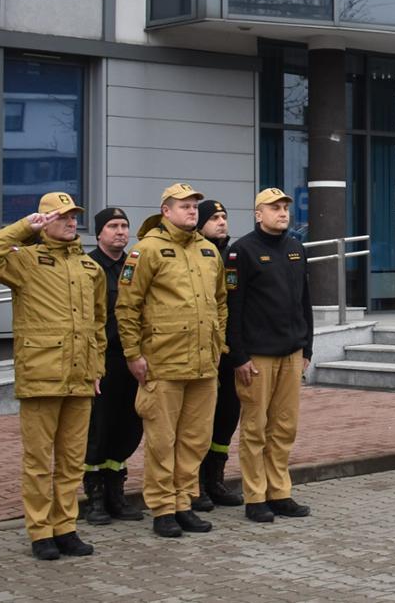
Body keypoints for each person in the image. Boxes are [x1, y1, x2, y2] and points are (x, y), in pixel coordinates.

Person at [0, 192, 107, 561]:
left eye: (73, 216)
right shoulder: (25, 262)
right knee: (38, 461)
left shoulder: (89, 267)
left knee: (71, 461)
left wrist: (97, 368)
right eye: (61, 216)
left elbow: (98, 325)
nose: (70, 222)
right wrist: (22, 228)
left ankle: (66, 527)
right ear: (44, 220)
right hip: (42, 374)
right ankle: (40, 531)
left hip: (80, 377)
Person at [115, 183, 228, 537]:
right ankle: (163, 508)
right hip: (163, 363)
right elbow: (127, 307)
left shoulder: (209, 251)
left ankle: (184, 502)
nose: (193, 210)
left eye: (195, 205)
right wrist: (133, 353)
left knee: (195, 439)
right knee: (162, 441)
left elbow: (221, 302)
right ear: (166, 210)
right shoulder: (146, 250)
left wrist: (218, 342)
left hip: (203, 364)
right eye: (184, 206)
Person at [224, 189, 313, 521]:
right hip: (257, 356)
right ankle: (255, 496)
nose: (283, 212)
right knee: (255, 428)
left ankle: (280, 492)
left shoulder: (295, 248)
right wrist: (239, 356)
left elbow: (305, 301)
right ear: (258, 214)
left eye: (285, 207)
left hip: (291, 352)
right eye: (274, 208)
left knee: (284, 426)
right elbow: (233, 308)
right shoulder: (241, 252)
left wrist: (308, 346)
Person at [82, 207, 144, 525]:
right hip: (102, 361)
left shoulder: (134, 265)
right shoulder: (88, 265)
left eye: (124, 226)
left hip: (132, 360)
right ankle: (94, 498)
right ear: (99, 233)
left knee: (128, 427)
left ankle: (116, 494)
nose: (120, 231)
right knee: (98, 428)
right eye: (113, 226)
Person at [191, 200, 243, 513]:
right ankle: (193, 484)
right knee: (199, 423)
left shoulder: (235, 255)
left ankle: (215, 479)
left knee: (226, 419)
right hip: (201, 351)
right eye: (214, 218)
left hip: (231, 352)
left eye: (224, 217)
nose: (222, 222)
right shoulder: (195, 254)